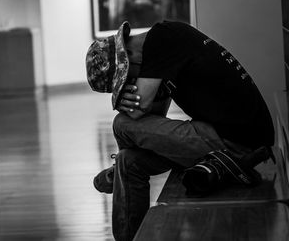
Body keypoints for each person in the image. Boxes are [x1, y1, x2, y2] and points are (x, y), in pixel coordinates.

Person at [85, 20, 275, 241]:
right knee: (129, 162)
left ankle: (116, 170)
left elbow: (139, 111)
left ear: (128, 58)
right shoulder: (161, 54)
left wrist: (126, 104)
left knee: (121, 123)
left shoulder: (162, 37)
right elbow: (153, 119)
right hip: (217, 135)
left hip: (236, 141)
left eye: (128, 80)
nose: (133, 85)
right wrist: (136, 103)